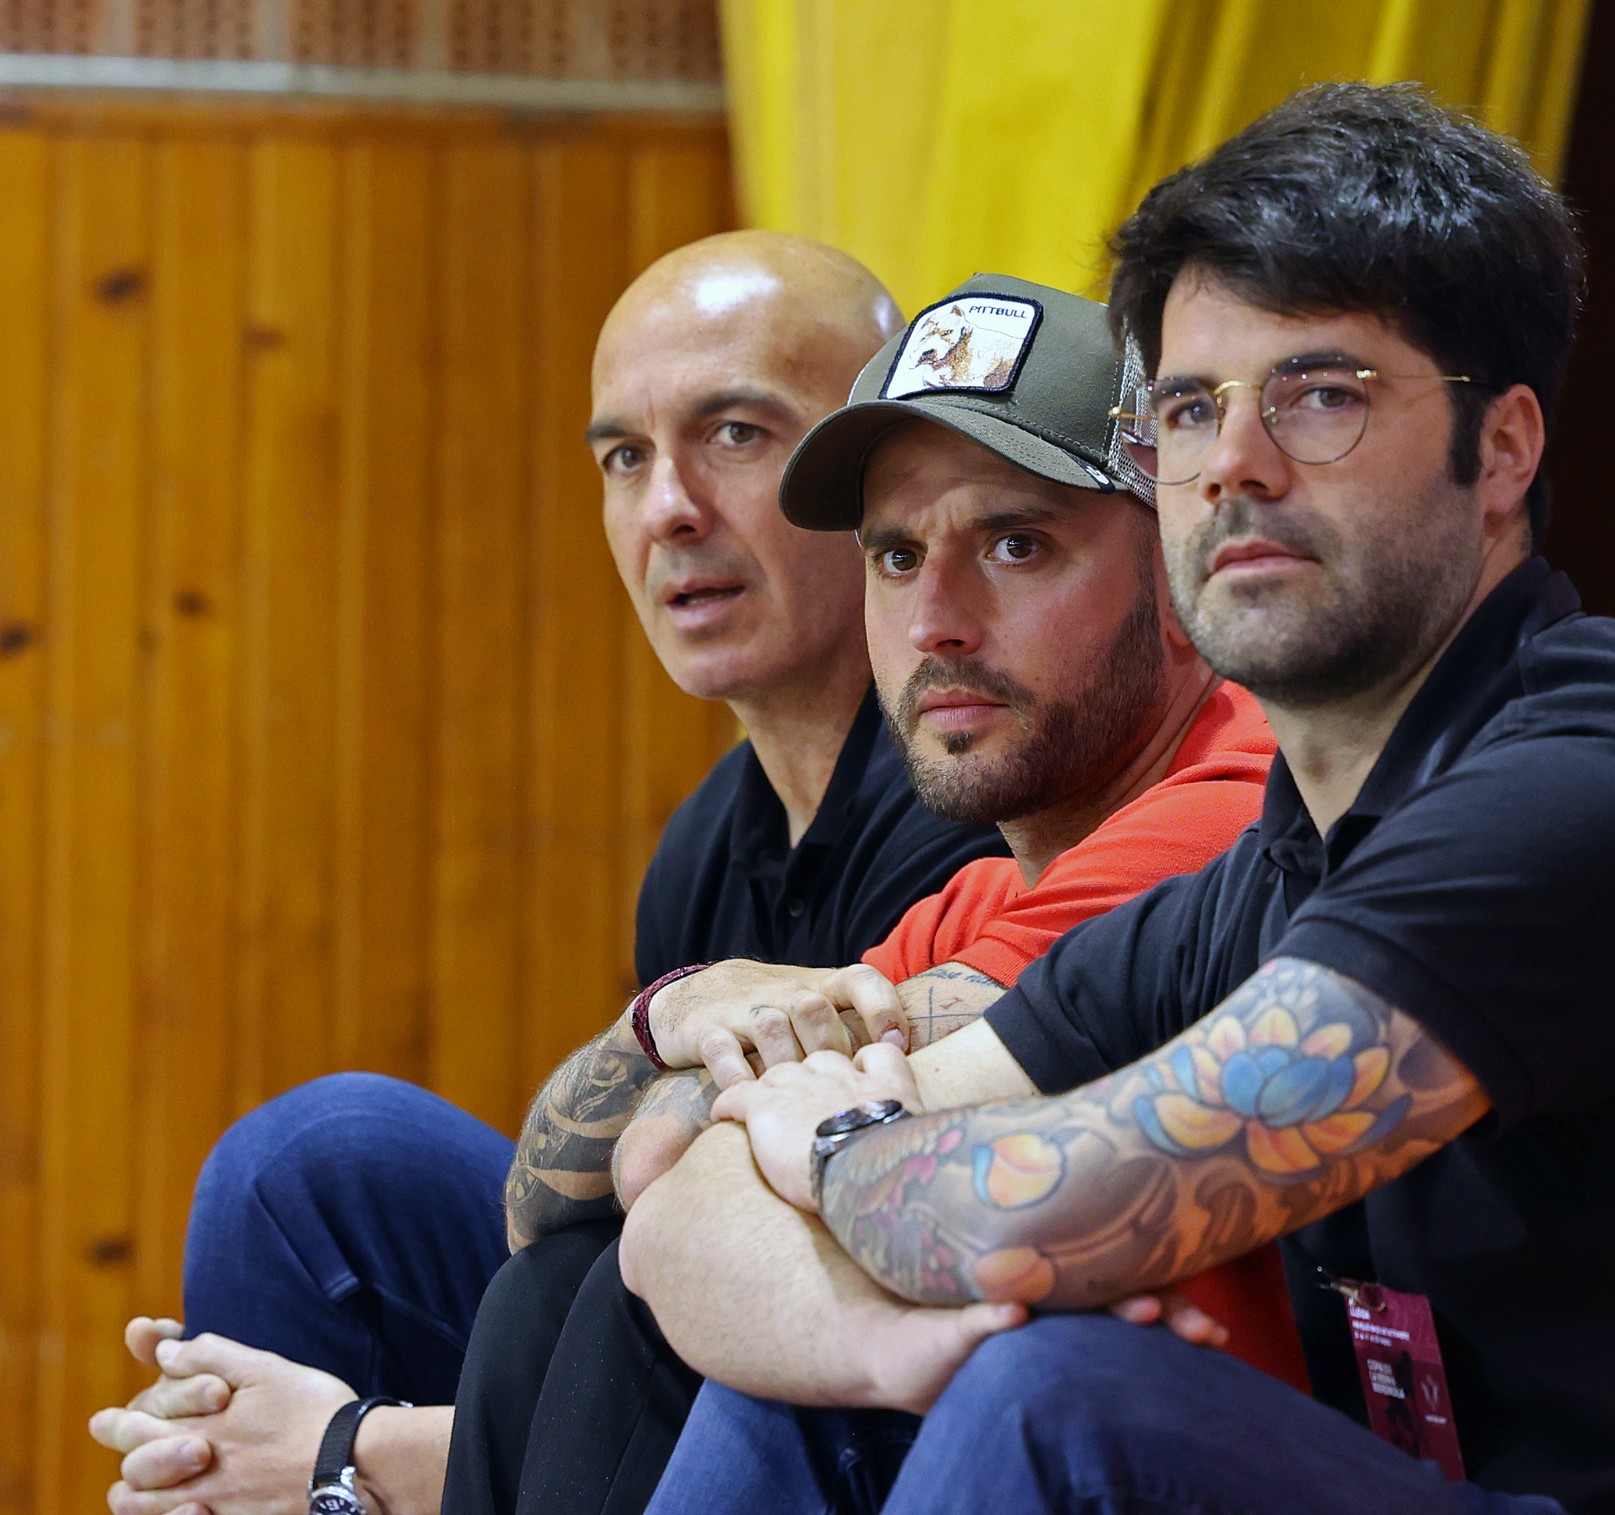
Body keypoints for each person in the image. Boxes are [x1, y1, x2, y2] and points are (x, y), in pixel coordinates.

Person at [624, 84, 1615, 1515]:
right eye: (1189, 409)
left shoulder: (1583, 800)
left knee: (1053, 1394)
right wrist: (885, 1344)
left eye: (1321, 395)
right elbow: (677, 1188)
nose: (1234, 467)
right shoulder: (1271, 876)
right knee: (836, 1381)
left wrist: (830, 1140)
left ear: (1502, 448)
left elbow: (1057, 1208)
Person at [85, 231, 1013, 1515]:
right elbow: (584, 1255)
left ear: (874, 474)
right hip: (672, 1334)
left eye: (734, 433)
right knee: (314, 1171)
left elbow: (823, 1311)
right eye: (624, 456)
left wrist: (352, 1453)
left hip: (866, 1370)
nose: (669, 506)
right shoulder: (708, 838)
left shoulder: (978, 788)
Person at [437, 275, 1303, 1515]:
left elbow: (676, 1160)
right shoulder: (978, 892)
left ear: (1176, 572)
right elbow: (598, 1187)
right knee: (484, 1251)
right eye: (897, 557)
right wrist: (671, 1014)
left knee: (762, 1338)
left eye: (1015, 544)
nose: (936, 620)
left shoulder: (1242, 804)